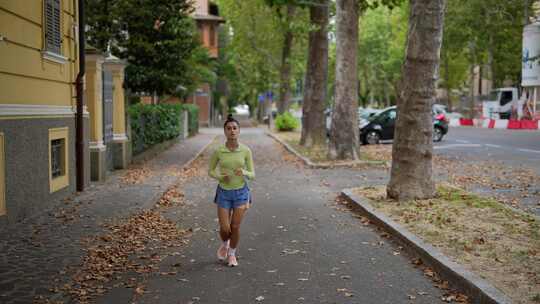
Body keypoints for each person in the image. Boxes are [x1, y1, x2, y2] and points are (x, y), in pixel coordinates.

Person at [208, 114, 255, 267]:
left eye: (235, 128)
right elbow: (210, 171)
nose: (232, 131)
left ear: (239, 131)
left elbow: (252, 174)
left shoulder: (246, 151)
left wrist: (245, 173)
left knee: (235, 227)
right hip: (224, 193)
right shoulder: (219, 151)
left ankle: (232, 254)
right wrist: (221, 177)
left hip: (241, 192)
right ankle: (225, 244)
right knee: (225, 227)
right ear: (225, 132)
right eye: (229, 128)